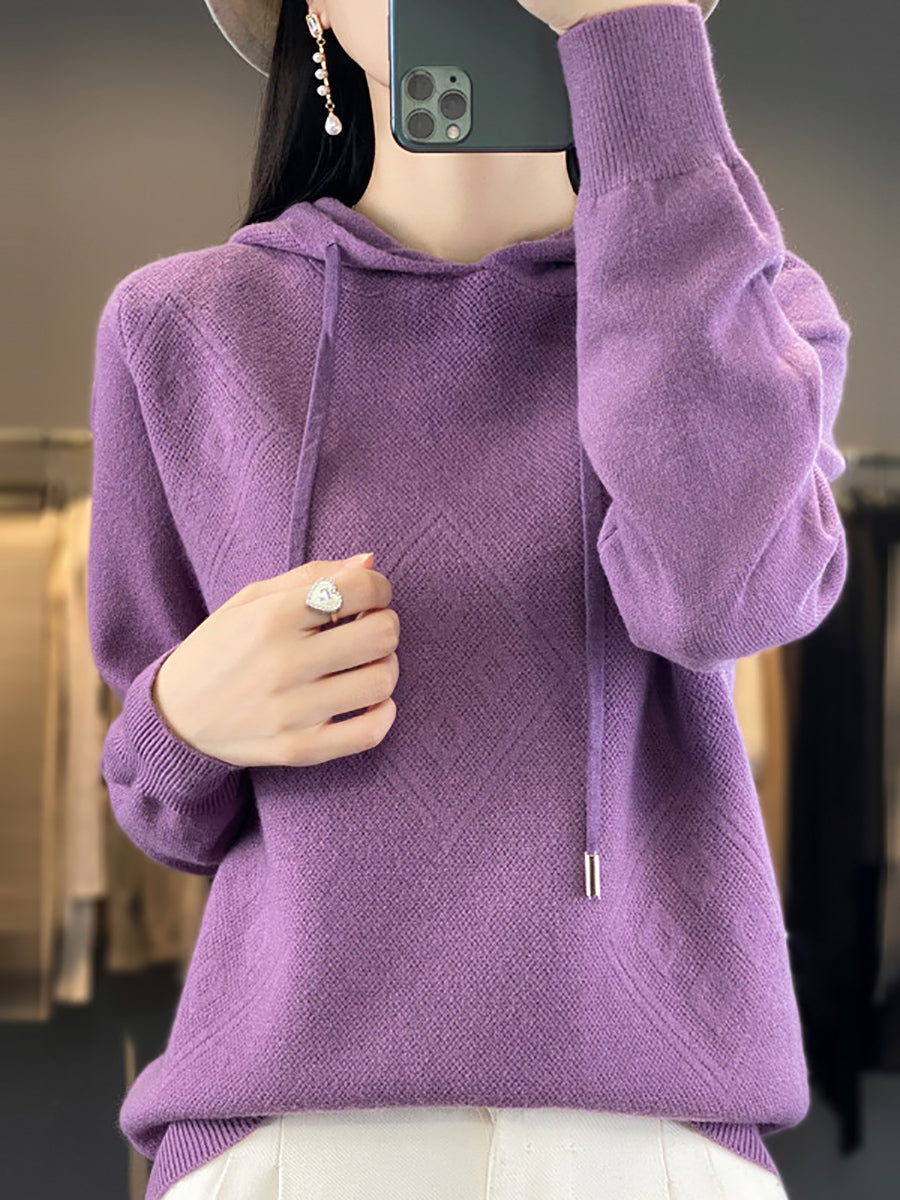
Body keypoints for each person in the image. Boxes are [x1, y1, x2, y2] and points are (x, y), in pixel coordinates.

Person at [86, 1, 851, 1197]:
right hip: (291, 1141)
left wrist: (639, 67)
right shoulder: (179, 326)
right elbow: (159, 811)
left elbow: (725, 596)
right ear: (311, 9)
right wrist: (183, 717)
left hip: (650, 1142)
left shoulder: (748, 316)